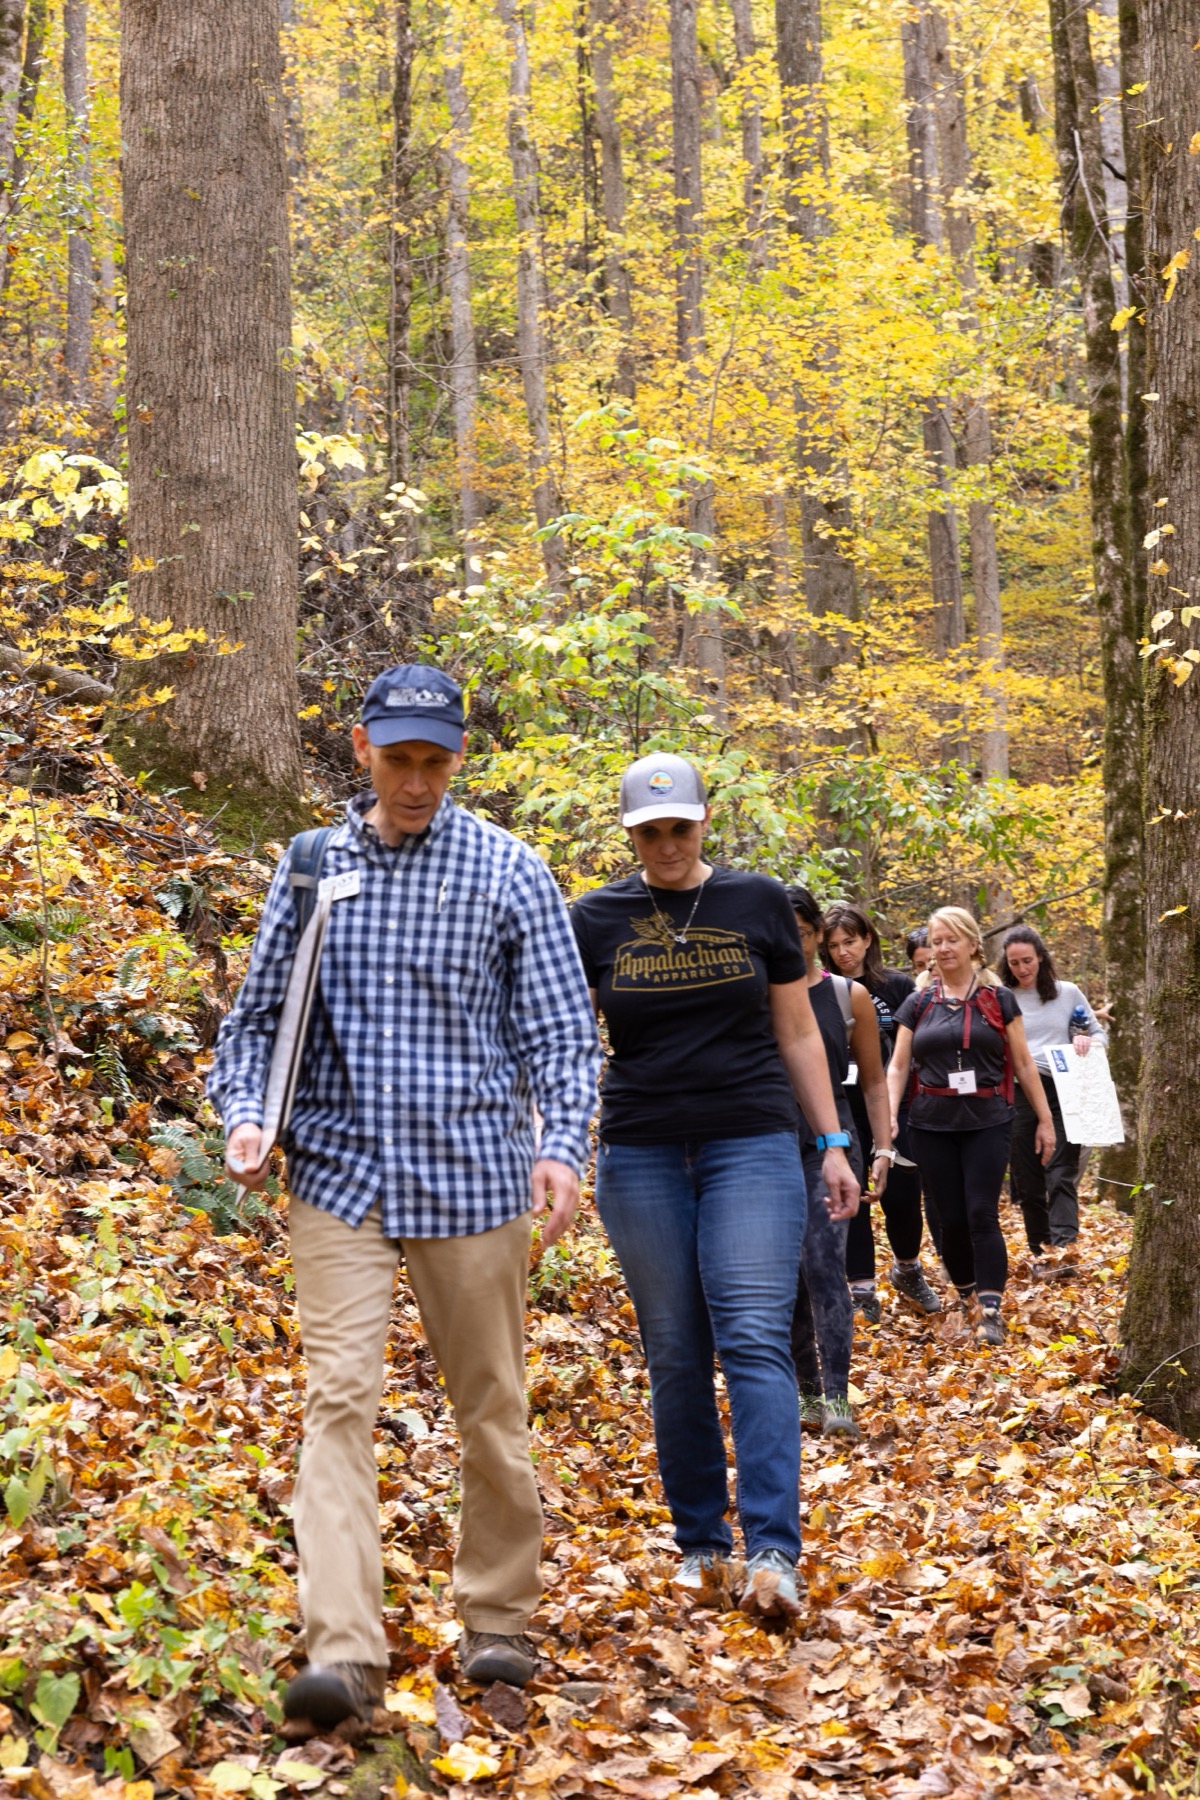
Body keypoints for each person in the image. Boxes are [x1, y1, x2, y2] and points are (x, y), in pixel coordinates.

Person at [208, 664, 602, 1730]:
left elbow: (562, 1035)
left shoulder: (509, 871)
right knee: (337, 1400)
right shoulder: (310, 866)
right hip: (339, 1175)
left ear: (457, 759)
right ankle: (345, 1651)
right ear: (361, 750)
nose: (416, 781)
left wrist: (560, 1146)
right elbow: (252, 1027)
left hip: (474, 1177)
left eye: (435, 762)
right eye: (399, 760)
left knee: (491, 1408)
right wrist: (246, 1112)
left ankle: (498, 1620)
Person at [570, 754, 860, 1621]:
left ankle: (773, 1552)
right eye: (649, 831)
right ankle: (700, 1545)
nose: (665, 843)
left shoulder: (758, 903)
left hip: (753, 1142)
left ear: (705, 823)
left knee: (754, 1338)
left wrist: (836, 1143)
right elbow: (562, 1034)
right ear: (628, 833)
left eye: (680, 827)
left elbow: (799, 1031)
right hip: (643, 1147)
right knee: (675, 1349)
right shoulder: (594, 917)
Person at [886, 907, 1055, 1346]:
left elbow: (1021, 1062)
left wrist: (1045, 1119)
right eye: (936, 941)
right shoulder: (919, 1002)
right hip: (931, 1123)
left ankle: (991, 1309)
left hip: (987, 1120)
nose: (941, 948)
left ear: (972, 945)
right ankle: (967, 1296)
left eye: (950, 940)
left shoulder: (999, 1000)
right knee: (951, 1220)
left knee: (981, 1212)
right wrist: (886, 1117)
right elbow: (899, 1065)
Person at [786, 888, 892, 1442]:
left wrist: (883, 1148)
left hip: (831, 1144)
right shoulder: (751, 994)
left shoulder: (847, 997)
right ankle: (804, 1390)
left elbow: (873, 1081)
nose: (794, 943)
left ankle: (835, 1396)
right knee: (789, 1279)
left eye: (805, 934)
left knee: (826, 1264)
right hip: (765, 1143)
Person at [823, 902, 941, 1321]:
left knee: (904, 1195)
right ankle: (861, 1289)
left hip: (899, 1103)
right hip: (840, 1106)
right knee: (851, 1193)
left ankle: (908, 1269)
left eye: (850, 942)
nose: (842, 952)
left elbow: (921, 1043)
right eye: (833, 944)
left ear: (867, 939)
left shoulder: (895, 986)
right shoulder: (820, 989)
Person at [997, 925, 1106, 1254]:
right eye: (1014, 963)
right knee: (1028, 1183)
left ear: (1041, 957)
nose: (1022, 969)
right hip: (1020, 1093)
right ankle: (1041, 1251)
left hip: (1064, 1086)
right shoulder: (1001, 996)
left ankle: (1064, 1249)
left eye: (1027, 960)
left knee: (1061, 1173)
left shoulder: (1068, 993)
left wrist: (1087, 1040)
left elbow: (1099, 1034)